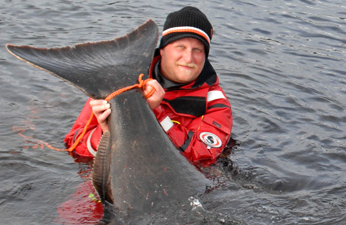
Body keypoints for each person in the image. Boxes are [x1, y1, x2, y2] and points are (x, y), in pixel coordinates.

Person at [64, 6, 232, 165]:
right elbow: (75, 147)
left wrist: (154, 112)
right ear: (163, 49)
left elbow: (202, 157)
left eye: (198, 50)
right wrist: (107, 132)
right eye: (180, 47)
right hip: (112, 174)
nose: (188, 58)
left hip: (172, 182)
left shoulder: (216, 102)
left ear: (205, 56)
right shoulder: (121, 82)